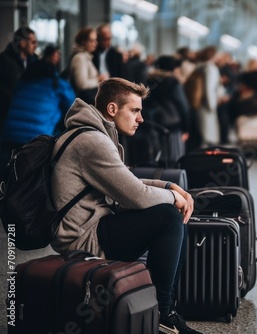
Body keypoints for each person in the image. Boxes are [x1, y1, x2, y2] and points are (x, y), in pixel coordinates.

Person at [50, 77, 201, 334]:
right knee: (167, 216)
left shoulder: (93, 133)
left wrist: (167, 187)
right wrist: (172, 197)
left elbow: (125, 181)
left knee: (169, 210)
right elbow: (136, 196)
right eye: (135, 110)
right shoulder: (92, 142)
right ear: (112, 109)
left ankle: (166, 311)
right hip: (82, 239)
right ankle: (162, 314)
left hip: (95, 226)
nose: (140, 118)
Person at [0, 44, 75, 179]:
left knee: (10, 180)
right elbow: (73, 109)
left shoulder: (21, 83)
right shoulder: (57, 84)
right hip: (37, 140)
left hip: (8, 137)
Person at [145, 55, 191, 166]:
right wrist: (186, 128)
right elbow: (183, 107)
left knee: (157, 159)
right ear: (172, 68)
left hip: (153, 125)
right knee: (175, 160)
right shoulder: (173, 83)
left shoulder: (150, 81)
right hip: (173, 126)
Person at [0, 26, 38, 133]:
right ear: (22, 43)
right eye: (33, 42)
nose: (36, 46)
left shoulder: (33, 61)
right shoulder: (6, 62)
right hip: (8, 117)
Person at [68, 27, 107, 104]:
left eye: (96, 40)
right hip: (84, 103)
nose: (95, 43)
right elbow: (82, 84)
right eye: (92, 41)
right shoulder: (79, 58)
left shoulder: (86, 57)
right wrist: (99, 80)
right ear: (83, 42)